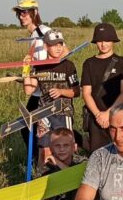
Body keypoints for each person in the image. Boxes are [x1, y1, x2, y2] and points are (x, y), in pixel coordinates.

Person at [23, 30, 80, 163]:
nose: (58, 48)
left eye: (60, 44)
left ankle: (65, 176)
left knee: (64, 149)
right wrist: (26, 69)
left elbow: (76, 91)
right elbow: (28, 90)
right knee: (44, 147)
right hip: (43, 114)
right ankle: (44, 174)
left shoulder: (68, 65)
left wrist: (61, 92)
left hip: (63, 112)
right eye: (54, 45)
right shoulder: (39, 66)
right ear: (46, 46)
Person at [80, 23, 123, 153]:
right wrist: (98, 114)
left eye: (107, 40)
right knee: (97, 154)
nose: (103, 44)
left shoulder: (122, 62)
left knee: (121, 150)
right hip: (95, 117)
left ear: (113, 41)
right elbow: (86, 93)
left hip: (117, 114)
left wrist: (109, 113)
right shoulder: (88, 63)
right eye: (100, 41)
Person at [13, 0, 52, 153]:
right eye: (20, 13)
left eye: (25, 12)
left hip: (45, 92)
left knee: (32, 127)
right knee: (28, 126)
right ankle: (39, 160)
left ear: (35, 12)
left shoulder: (42, 33)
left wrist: (28, 78)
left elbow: (46, 65)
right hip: (38, 90)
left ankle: (40, 161)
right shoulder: (35, 34)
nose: (22, 16)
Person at [37, 127, 86, 200]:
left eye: (66, 145)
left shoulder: (82, 162)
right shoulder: (46, 168)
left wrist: (57, 162)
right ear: (51, 148)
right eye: (57, 146)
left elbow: (76, 178)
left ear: (74, 147)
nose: (62, 149)